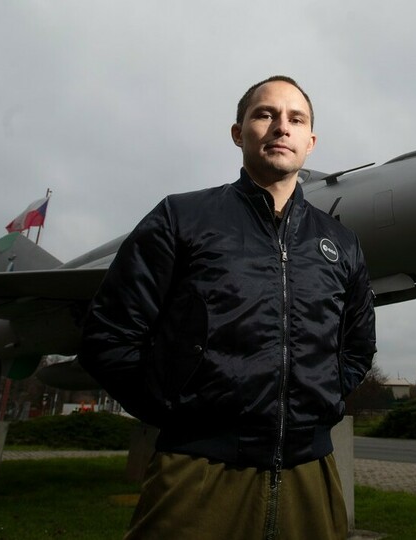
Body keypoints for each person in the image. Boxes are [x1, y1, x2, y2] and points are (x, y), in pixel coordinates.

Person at [78, 75, 377, 539]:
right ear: (239, 133)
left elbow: (357, 346)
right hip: (197, 475)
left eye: (295, 119)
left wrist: (325, 401)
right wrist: (177, 412)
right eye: (265, 114)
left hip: (311, 475)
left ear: (310, 141)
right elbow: (109, 334)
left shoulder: (341, 243)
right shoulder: (182, 218)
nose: (282, 127)